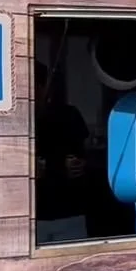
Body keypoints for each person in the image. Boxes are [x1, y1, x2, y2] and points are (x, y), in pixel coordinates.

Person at [34, 61, 91, 244]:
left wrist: (82, 164)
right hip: (30, 216)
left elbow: (86, 156)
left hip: (70, 214)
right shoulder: (12, 122)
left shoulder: (70, 115)